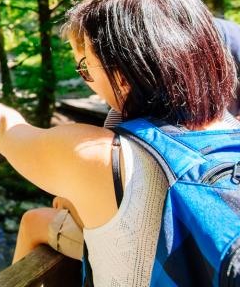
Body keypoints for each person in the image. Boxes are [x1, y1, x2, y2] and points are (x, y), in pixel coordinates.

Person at [0, 0, 238, 286]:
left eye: (85, 68)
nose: (84, 79)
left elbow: (12, 136)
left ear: (123, 73)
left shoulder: (96, 155)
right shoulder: (229, 128)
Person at [13, 16, 240, 266]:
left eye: (86, 68)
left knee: (34, 221)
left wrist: (73, 201)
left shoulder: (122, 122)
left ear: (119, 69)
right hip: (201, 239)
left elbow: (118, 202)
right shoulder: (209, 92)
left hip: (154, 254)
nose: (86, 80)